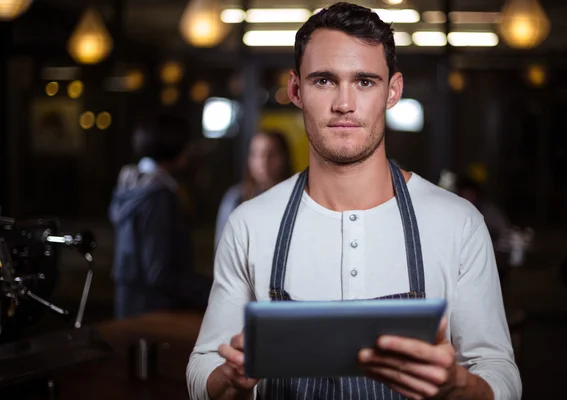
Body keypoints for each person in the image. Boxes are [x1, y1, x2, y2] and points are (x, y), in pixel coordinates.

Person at [187, 3, 521, 399]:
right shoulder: (250, 224)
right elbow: (203, 366)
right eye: (324, 81)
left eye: (364, 82)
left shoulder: (457, 222)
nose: (344, 104)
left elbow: (499, 370)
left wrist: (463, 388)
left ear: (392, 90)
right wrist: (228, 377)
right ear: (296, 90)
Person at [109, 113, 212, 320]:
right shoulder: (158, 196)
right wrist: (212, 291)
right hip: (155, 311)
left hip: (129, 303)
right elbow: (160, 272)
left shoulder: (132, 185)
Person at [214, 131, 292, 251]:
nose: (263, 162)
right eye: (256, 155)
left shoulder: (297, 197)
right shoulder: (237, 198)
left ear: (284, 157)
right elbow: (222, 250)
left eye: (271, 154)